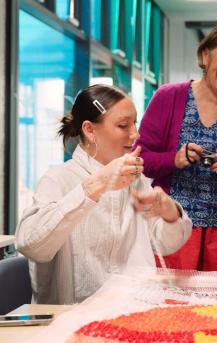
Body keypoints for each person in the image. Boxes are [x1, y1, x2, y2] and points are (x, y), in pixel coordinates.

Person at [15, 84, 192, 305]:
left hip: (133, 311)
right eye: (123, 125)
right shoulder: (58, 179)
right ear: (89, 130)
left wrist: (170, 213)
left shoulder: (135, 180)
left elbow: (165, 244)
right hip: (72, 320)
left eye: (135, 123)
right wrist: (93, 187)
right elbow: (31, 245)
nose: (135, 134)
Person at [136, 21, 217, 271]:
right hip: (174, 229)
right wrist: (174, 160)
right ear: (205, 55)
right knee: (172, 308)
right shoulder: (168, 97)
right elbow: (141, 159)